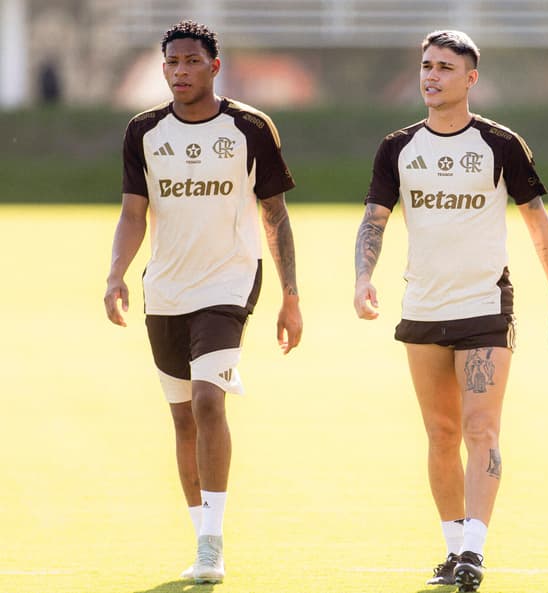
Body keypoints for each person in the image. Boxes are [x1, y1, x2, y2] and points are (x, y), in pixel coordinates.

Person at [353, 30, 548, 593]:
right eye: (426, 65)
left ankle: (475, 548)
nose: (432, 75)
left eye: (445, 67)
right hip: (423, 308)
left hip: (483, 308)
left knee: (481, 428)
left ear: (470, 78)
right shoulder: (397, 148)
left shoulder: (500, 145)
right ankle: (453, 549)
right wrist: (363, 278)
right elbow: (375, 219)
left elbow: (539, 227)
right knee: (440, 432)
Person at [103, 20, 302, 585]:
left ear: (215, 67)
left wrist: (291, 296)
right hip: (165, 288)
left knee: (211, 403)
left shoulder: (250, 127)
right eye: (172, 62)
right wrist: (116, 273)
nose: (180, 71)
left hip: (229, 284)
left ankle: (213, 546)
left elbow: (275, 214)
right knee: (183, 417)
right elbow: (133, 212)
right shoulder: (142, 130)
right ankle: (199, 538)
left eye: (192, 61)